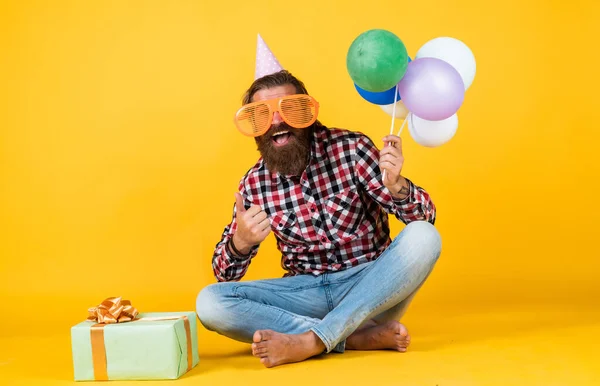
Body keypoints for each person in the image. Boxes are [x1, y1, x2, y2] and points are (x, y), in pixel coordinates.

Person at [196, 68, 441, 368]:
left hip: (369, 288)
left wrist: (397, 186)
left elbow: (425, 216)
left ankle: (313, 340)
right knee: (209, 303)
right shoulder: (254, 184)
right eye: (263, 115)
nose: (276, 122)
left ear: (307, 113)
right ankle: (353, 338)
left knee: (425, 236)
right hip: (303, 294)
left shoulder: (352, 150)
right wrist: (239, 243)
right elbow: (225, 275)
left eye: (289, 109)